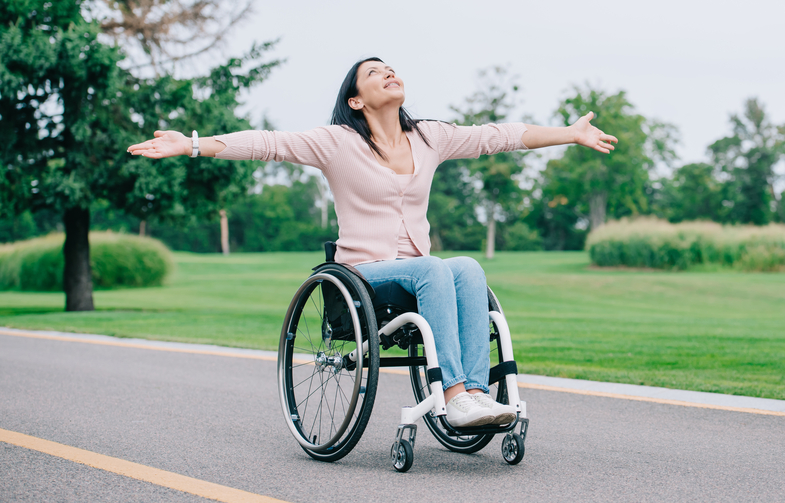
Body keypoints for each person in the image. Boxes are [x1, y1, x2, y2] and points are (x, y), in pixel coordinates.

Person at [127, 57, 617, 427]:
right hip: (363, 275)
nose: (389, 74)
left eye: (391, 69)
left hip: (422, 276)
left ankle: (474, 393)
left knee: (465, 266)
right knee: (434, 267)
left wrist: (568, 135)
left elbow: (497, 136)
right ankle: (453, 398)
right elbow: (267, 143)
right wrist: (190, 144)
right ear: (356, 99)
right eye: (375, 72)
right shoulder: (337, 142)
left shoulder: (429, 137)